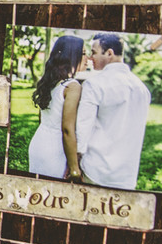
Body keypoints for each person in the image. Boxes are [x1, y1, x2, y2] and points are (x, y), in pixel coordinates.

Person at [74, 33, 152, 190]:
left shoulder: (94, 84)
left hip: (96, 172)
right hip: (126, 177)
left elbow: (83, 129)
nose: (90, 57)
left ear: (109, 53)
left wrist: (75, 164)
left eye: (94, 52)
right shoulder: (142, 89)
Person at [28, 35, 88, 179]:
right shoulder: (72, 86)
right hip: (56, 150)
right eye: (83, 53)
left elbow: (42, 117)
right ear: (71, 55)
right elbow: (67, 129)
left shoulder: (52, 81)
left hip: (39, 142)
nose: (88, 58)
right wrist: (74, 168)